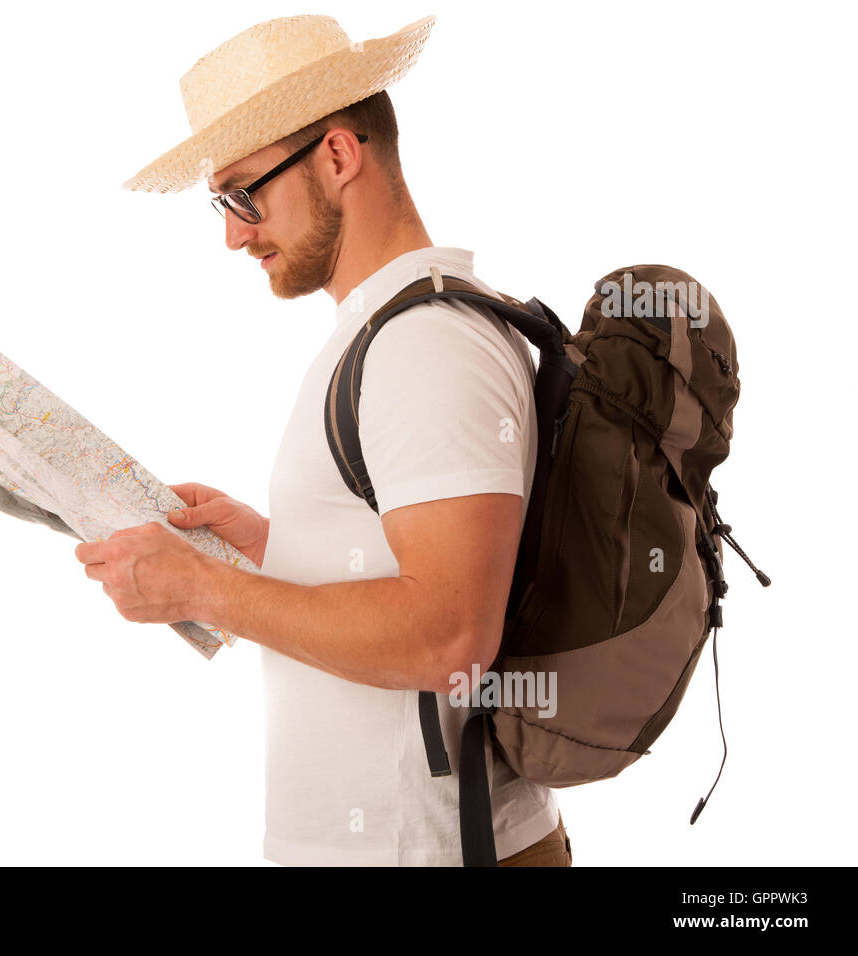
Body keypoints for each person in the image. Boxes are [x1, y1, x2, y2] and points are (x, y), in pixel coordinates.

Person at [75, 13, 571, 866]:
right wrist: (271, 548)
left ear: (339, 157)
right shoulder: (388, 328)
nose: (232, 231)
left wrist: (205, 591)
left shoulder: (426, 342)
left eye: (242, 193)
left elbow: (449, 636)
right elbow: (405, 568)